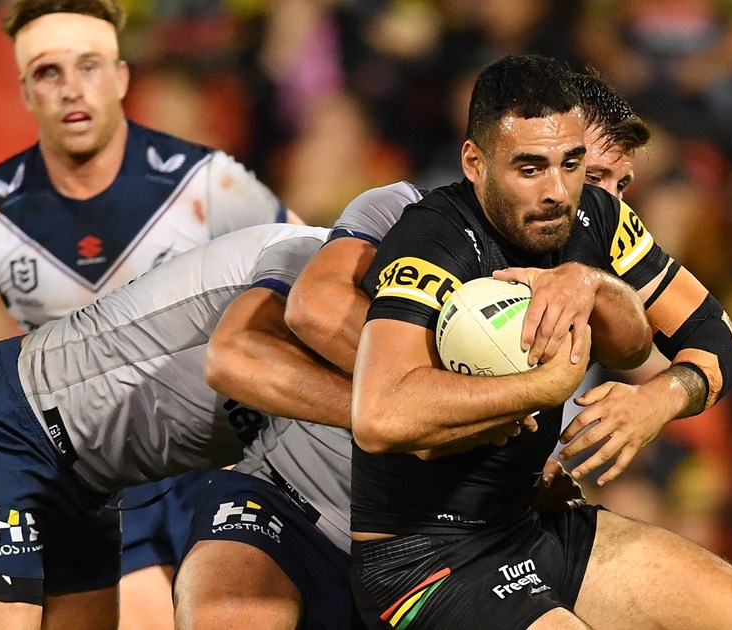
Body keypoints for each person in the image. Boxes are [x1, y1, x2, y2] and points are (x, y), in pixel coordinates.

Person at [171, 69, 653, 630]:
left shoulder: (591, 288)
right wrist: (428, 407)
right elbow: (281, 328)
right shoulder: (407, 214)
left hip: (448, 546)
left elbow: (673, 345)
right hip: (295, 502)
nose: (596, 202)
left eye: (620, 186)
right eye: (587, 175)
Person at [347, 54, 732, 630]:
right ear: (475, 163)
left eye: (570, 163)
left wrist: (654, 400)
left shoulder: (597, 217)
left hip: (530, 527)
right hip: (422, 557)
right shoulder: (433, 239)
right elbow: (380, 415)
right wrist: (546, 385)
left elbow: (722, 341)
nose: (557, 191)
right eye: (530, 168)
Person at [0, 1, 294, 628]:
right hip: (89, 466)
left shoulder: (210, 186)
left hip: (212, 456)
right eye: (49, 72)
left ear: (120, 78)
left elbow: (309, 280)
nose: (71, 90)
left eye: (88, 66)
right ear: (25, 92)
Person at [0, 223, 342, 629]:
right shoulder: (303, 255)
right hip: (0, 425)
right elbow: (232, 358)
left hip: (92, 484)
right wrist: (359, 407)